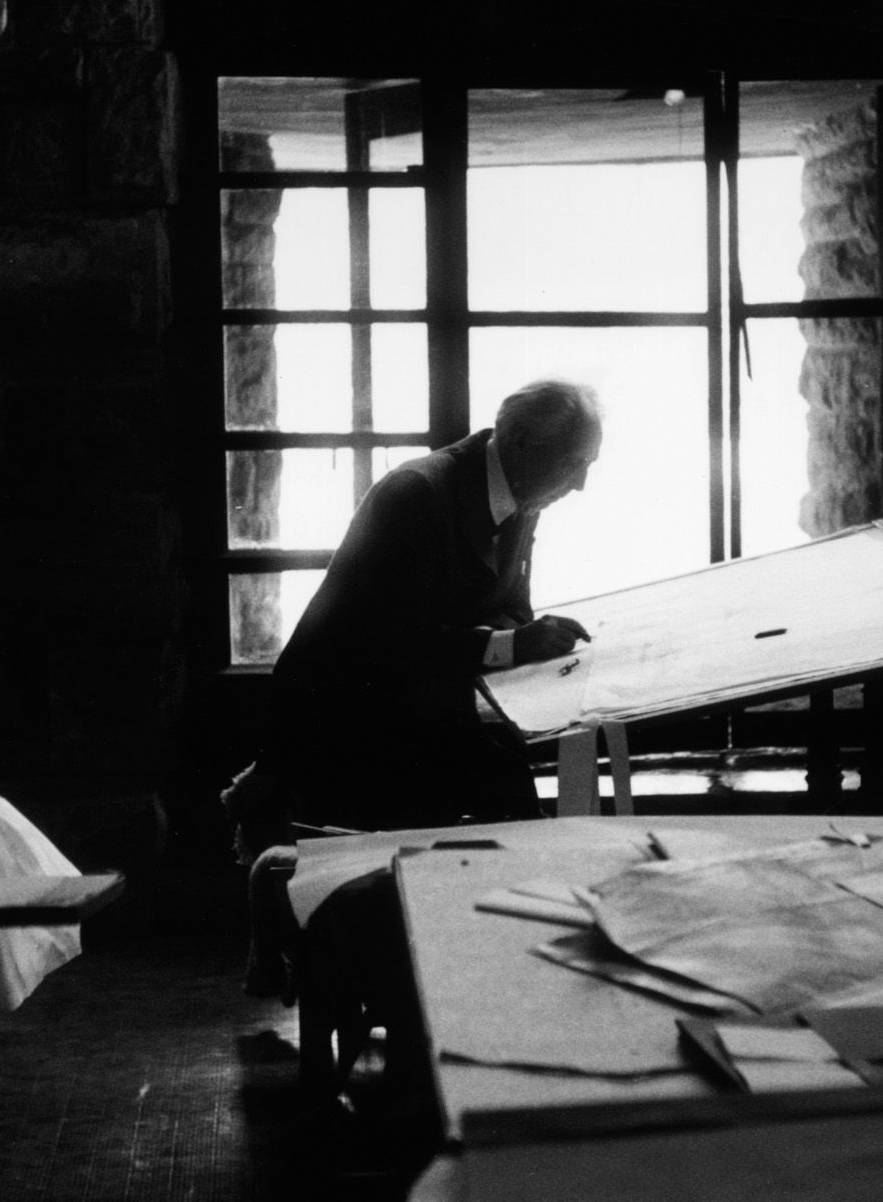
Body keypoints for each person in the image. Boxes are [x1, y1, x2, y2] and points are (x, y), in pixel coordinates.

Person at [224, 380, 602, 1011]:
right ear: (520, 444)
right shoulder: (415, 494)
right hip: (348, 719)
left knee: (518, 812)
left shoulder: (523, 493)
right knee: (488, 833)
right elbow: (381, 644)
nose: (581, 484)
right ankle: (404, 971)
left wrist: (531, 643)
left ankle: (496, 976)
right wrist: (511, 646)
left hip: (421, 705)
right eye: (575, 464)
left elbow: (507, 603)